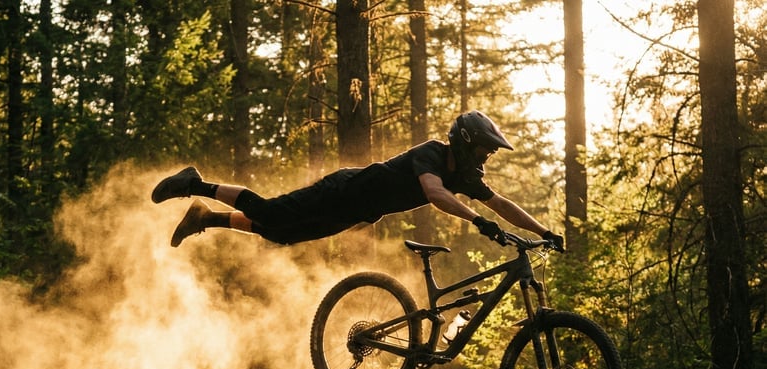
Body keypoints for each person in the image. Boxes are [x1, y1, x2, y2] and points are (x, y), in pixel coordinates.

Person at [152, 110, 564, 251]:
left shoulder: (465, 176)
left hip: (356, 211)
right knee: (270, 211)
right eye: (484, 149)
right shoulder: (433, 155)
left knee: (281, 236)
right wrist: (476, 222)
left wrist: (545, 231)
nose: (487, 156)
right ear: (466, 141)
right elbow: (434, 193)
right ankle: (196, 185)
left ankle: (206, 218)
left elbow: (501, 204)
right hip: (345, 190)